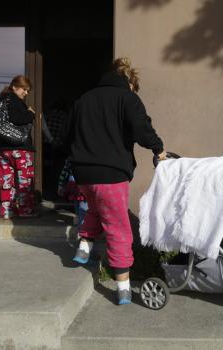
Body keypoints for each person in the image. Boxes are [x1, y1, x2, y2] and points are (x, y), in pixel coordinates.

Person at [64, 57, 167, 305]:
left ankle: (84, 247)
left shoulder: (83, 100)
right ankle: (122, 288)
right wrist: (158, 149)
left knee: (96, 209)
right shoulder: (127, 97)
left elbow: (66, 135)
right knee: (118, 228)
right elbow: (142, 127)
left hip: (83, 174)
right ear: (130, 81)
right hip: (111, 174)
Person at [0, 75, 38, 219]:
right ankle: (26, 210)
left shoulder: (1, 102)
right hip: (20, 148)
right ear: (14, 87)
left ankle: (7, 211)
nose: (26, 93)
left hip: (2, 149)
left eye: (28, 91)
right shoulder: (15, 100)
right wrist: (30, 113)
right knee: (24, 181)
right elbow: (18, 119)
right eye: (24, 90)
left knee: (6, 181)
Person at [57, 160, 87, 229]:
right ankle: (79, 222)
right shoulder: (71, 159)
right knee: (78, 203)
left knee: (83, 206)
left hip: (84, 184)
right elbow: (64, 172)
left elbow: (64, 173)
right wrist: (60, 185)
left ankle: (81, 223)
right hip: (75, 184)